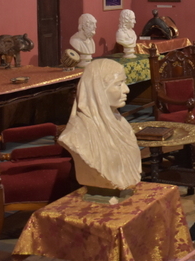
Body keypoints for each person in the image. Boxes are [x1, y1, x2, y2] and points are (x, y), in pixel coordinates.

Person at [57, 59, 141, 193]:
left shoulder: (121, 124)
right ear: (98, 90)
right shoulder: (76, 135)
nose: (127, 89)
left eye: (124, 83)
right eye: (119, 84)